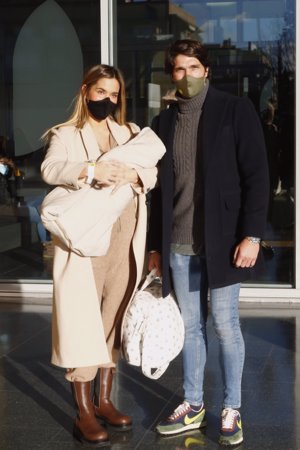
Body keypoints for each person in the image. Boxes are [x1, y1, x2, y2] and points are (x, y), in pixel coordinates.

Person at [148, 40, 269, 446]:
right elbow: (157, 194)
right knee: (190, 328)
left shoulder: (235, 111)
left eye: (194, 67)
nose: (186, 76)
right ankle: (194, 404)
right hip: (179, 243)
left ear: (207, 71)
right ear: (172, 75)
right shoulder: (162, 123)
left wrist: (252, 235)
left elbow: (257, 177)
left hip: (225, 241)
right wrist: (154, 247)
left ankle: (232, 407)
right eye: (179, 69)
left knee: (224, 324)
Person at [41, 64, 164, 447]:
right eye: (101, 93)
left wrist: (136, 176)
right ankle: (84, 411)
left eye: (114, 95)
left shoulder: (128, 133)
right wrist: (92, 169)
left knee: (114, 316)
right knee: (85, 321)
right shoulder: (66, 134)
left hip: (125, 238)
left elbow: (153, 173)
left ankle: (106, 399)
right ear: (85, 92)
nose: (108, 100)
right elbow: (50, 169)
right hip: (85, 243)